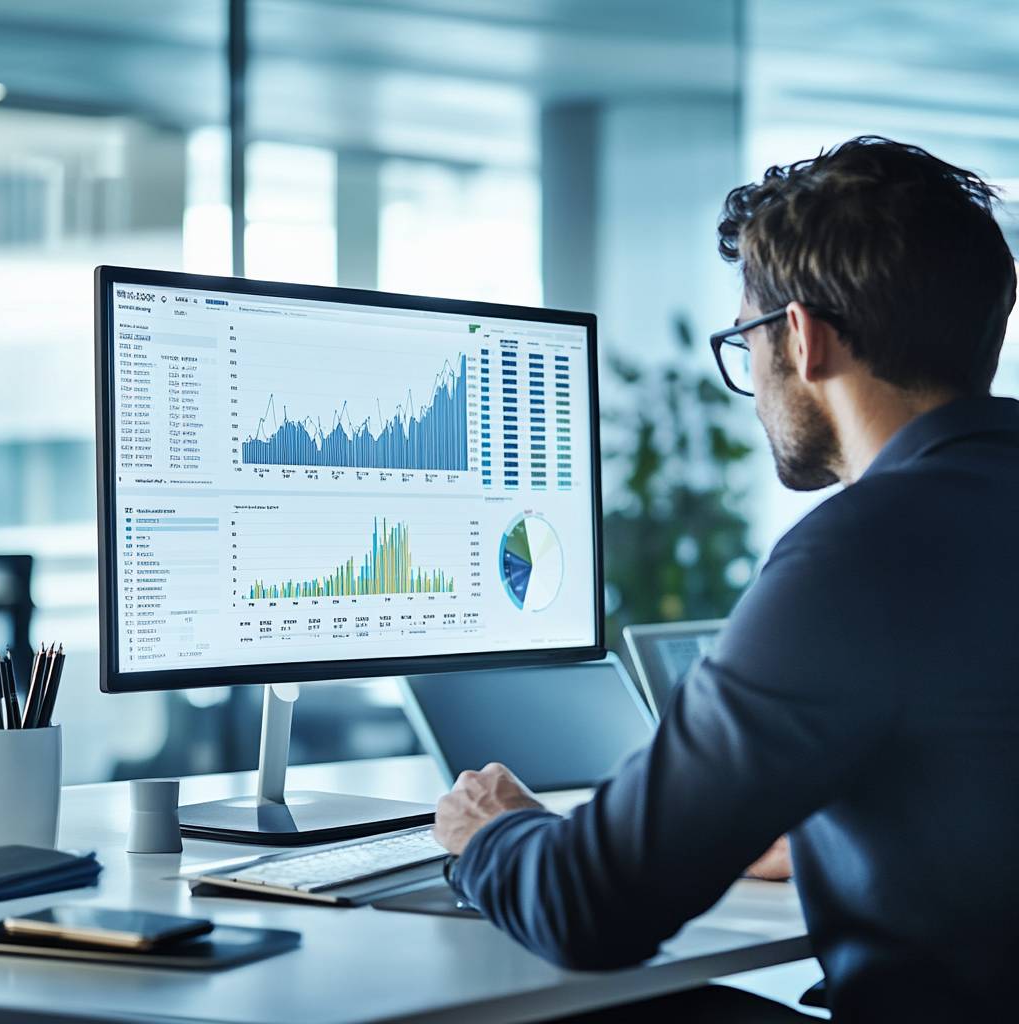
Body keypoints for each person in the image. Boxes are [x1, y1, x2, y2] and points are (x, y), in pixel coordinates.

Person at [433, 136, 1019, 1022]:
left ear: (802, 337)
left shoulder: (858, 555)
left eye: (747, 338)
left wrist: (491, 832)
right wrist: (825, 833)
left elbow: (590, 906)